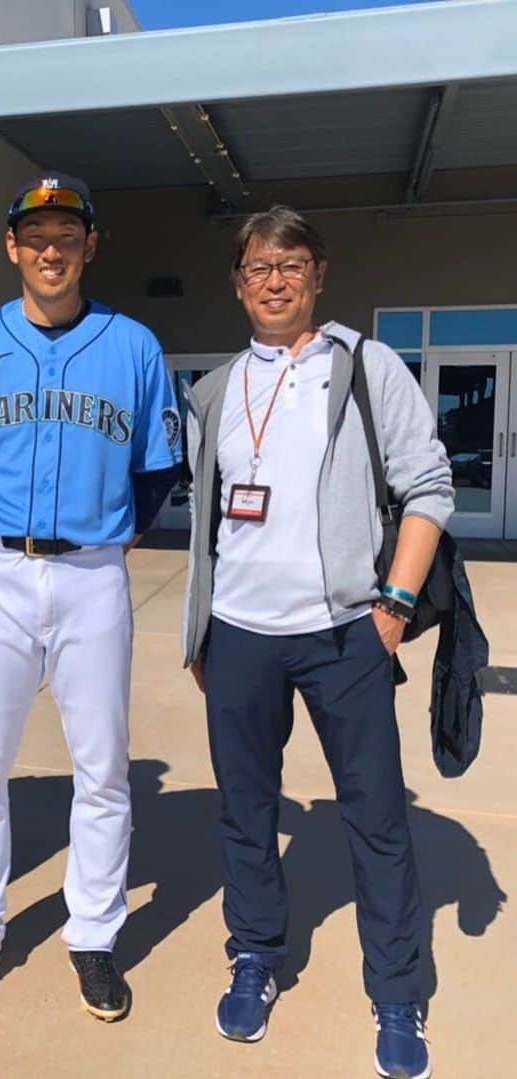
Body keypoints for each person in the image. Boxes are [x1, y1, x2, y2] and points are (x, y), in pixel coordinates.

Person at [181, 205, 453, 1079]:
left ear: (319, 273)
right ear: (238, 281)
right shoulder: (216, 390)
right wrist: (200, 626)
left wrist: (395, 605)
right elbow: (206, 521)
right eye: (258, 264)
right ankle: (255, 954)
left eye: (291, 262)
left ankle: (398, 990)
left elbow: (429, 484)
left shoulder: (366, 366)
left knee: (377, 818)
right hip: (240, 637)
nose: (274, 278)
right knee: (246, 814)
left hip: (344, 634)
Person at [0, 173, 181, 1021]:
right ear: (12, 246)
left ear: (90, 245)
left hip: (92, 572)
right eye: (36, 233)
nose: (51, 247)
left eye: (67, 232)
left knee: (102, 765)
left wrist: (104, 535)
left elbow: (156, 474)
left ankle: (95, 935)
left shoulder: (133, 345)